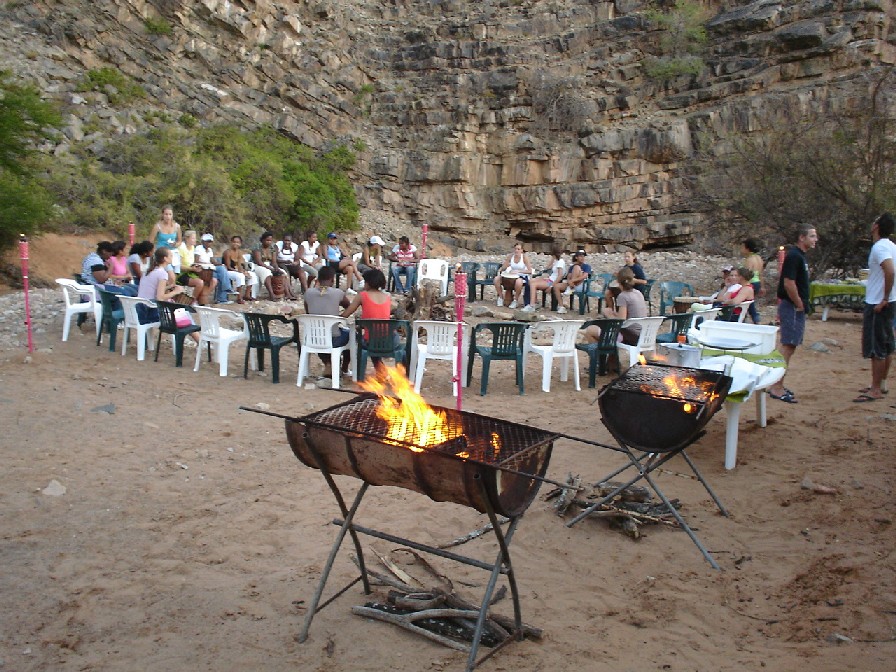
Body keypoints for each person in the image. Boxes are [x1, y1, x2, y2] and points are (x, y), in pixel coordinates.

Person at [767, 225, 818, 404]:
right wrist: (798, 304)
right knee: (788, 345)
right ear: (801, 237)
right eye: (812, 236)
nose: (815, 239)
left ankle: (777, 383)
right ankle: (776, 386)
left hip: (795, 307)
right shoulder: (794, 256)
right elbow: (789, 283)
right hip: (792, 307)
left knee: (791, 345)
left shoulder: (800, 257)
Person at [854, 213, 895, 403]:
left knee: (876, 346)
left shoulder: (880, 247)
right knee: (886, 345)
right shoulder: (892, 246)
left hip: (878, 302)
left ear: (876, 226)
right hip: (889, 301)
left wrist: (884, 298)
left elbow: (890, 269)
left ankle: (876, 389)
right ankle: (881, 383)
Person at [342, 269, 395, 372]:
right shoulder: (387, 297)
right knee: (376, 337)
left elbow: (346, 314)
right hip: (389, 340)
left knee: (358, 339)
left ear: (368, 283)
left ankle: (345, 368)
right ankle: (381, 371)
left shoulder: (362, 296)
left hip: (371, 340)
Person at [304, 265, 352, 378]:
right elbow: (348, 306)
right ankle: (344, 368)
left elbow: (308, 312)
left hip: (314, 338)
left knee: (320, 335)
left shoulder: (308, 293)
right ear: (332, 279)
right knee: (350, 335)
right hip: (332, 339)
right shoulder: (338, 293)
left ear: (318, 280)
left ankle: (328, 363)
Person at [584, 266, 648, 346]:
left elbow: (620, 322)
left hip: (631, 336)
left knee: (590, 331)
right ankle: (611, 357)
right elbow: (628, 315)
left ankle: (598, 357)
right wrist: (614, 314)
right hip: (643, 333)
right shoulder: (638, 293)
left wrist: (608, 315)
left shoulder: (623, 296)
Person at [136, 248, 191, 324]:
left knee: (183, 316)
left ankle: (194, 334)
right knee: (184, 316)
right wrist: (176, 291)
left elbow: (152, 289)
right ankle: (196, 335)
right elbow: (160, 297)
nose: (172, 257)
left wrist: (169, 287)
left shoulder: (148, 271)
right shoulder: (162, 273)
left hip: (140, 308)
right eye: (171, 256)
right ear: (165, 258)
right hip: (150, 311)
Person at [522, 247, 566, 312]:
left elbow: (560, 276)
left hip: (552, 282)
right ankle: (535, 301)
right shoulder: (556, 261)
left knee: (534, 284)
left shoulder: (560, 262)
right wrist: (552, 260)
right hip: (550, 279)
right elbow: (547, 268)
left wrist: (551, 286)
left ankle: (532, 305)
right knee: (531, 281)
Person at [253, 231, 294, 300]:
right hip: (258, 266)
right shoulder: (257, 247)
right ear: (263, 240)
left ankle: (287, 293)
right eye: (267, 240)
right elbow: (259, 261)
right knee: (267, 273)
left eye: (270, 240)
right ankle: (271, 294)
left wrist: (276, 268)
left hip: (269, 265)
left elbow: (274, 261)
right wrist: (268, 267)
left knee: (283, 273)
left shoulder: (272, 248)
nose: (269, 242)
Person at [175, 230, 211, 305]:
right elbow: (178, 266)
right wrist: (191, 268)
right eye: (193, 238)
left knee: (211, 279)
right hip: (181, 273)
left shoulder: (192, 248)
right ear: (187, 239)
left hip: (190, 271)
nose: (195, 240)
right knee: (200, 283)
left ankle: (201, 299)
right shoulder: (181, 248)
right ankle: (192, 301)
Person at [195, 233, 233, 304]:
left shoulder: (210, 250)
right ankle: (225, 293)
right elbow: (196, 261)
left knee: (221, 271)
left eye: (210, 242)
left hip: (210, 267)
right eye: (207, 241)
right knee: (220, 274)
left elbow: (212, 260)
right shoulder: (199, 248)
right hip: (203, 268)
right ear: (203, 241)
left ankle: (222, 298)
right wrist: (206, 264)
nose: (209, 243)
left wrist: (221, 264)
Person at [494, 242, 533, 309]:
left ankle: (515, 300)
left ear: (521, 250)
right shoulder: (511, 256)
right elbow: (504, 267)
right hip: (511, 275)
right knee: (496, 279)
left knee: (519, 282)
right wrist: (503, 268)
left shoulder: (524, 257)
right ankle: (500, 297)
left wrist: (519, 271)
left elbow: (530, 271)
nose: (516, 251)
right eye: (515, 249)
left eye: (518, 249)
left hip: (521, 275)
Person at [222, 235, 257, 303]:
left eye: (238, 242)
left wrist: (245, 271)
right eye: (234, 242)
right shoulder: (227, 252)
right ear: (231, 243)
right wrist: (239, 271)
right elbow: (228, 267)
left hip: (236, 271)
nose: (236, 244)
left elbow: (241, 264)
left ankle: (247, 295)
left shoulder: (239, 252)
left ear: (240, 244)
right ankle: (239, 297)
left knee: (252, 275)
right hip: (227, 271)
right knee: (240, 276)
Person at [554, 249, 590, 313]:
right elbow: (568, 276)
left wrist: (572, 281)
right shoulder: (572, 266)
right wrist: (569, 281)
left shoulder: (586, 266)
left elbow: (584, 276)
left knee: (576, 267)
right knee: (556, 286)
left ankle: (571, 288)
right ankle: (561, 306)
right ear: (576, 257)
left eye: (583, 256)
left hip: (581, 285)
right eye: (580, 256)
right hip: (572, 284)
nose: (582, 258)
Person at [151, 205, 182, 272]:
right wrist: (155, 251)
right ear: (163, 215)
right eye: (166, 214)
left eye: (170, 214)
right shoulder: (157, 226)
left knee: (175, 273)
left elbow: (179, 241)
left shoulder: (177, 226)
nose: (168, 216)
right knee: (170, 273)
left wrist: (175, 244)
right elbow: (150, 241)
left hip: (173, 252)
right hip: (162, 253)